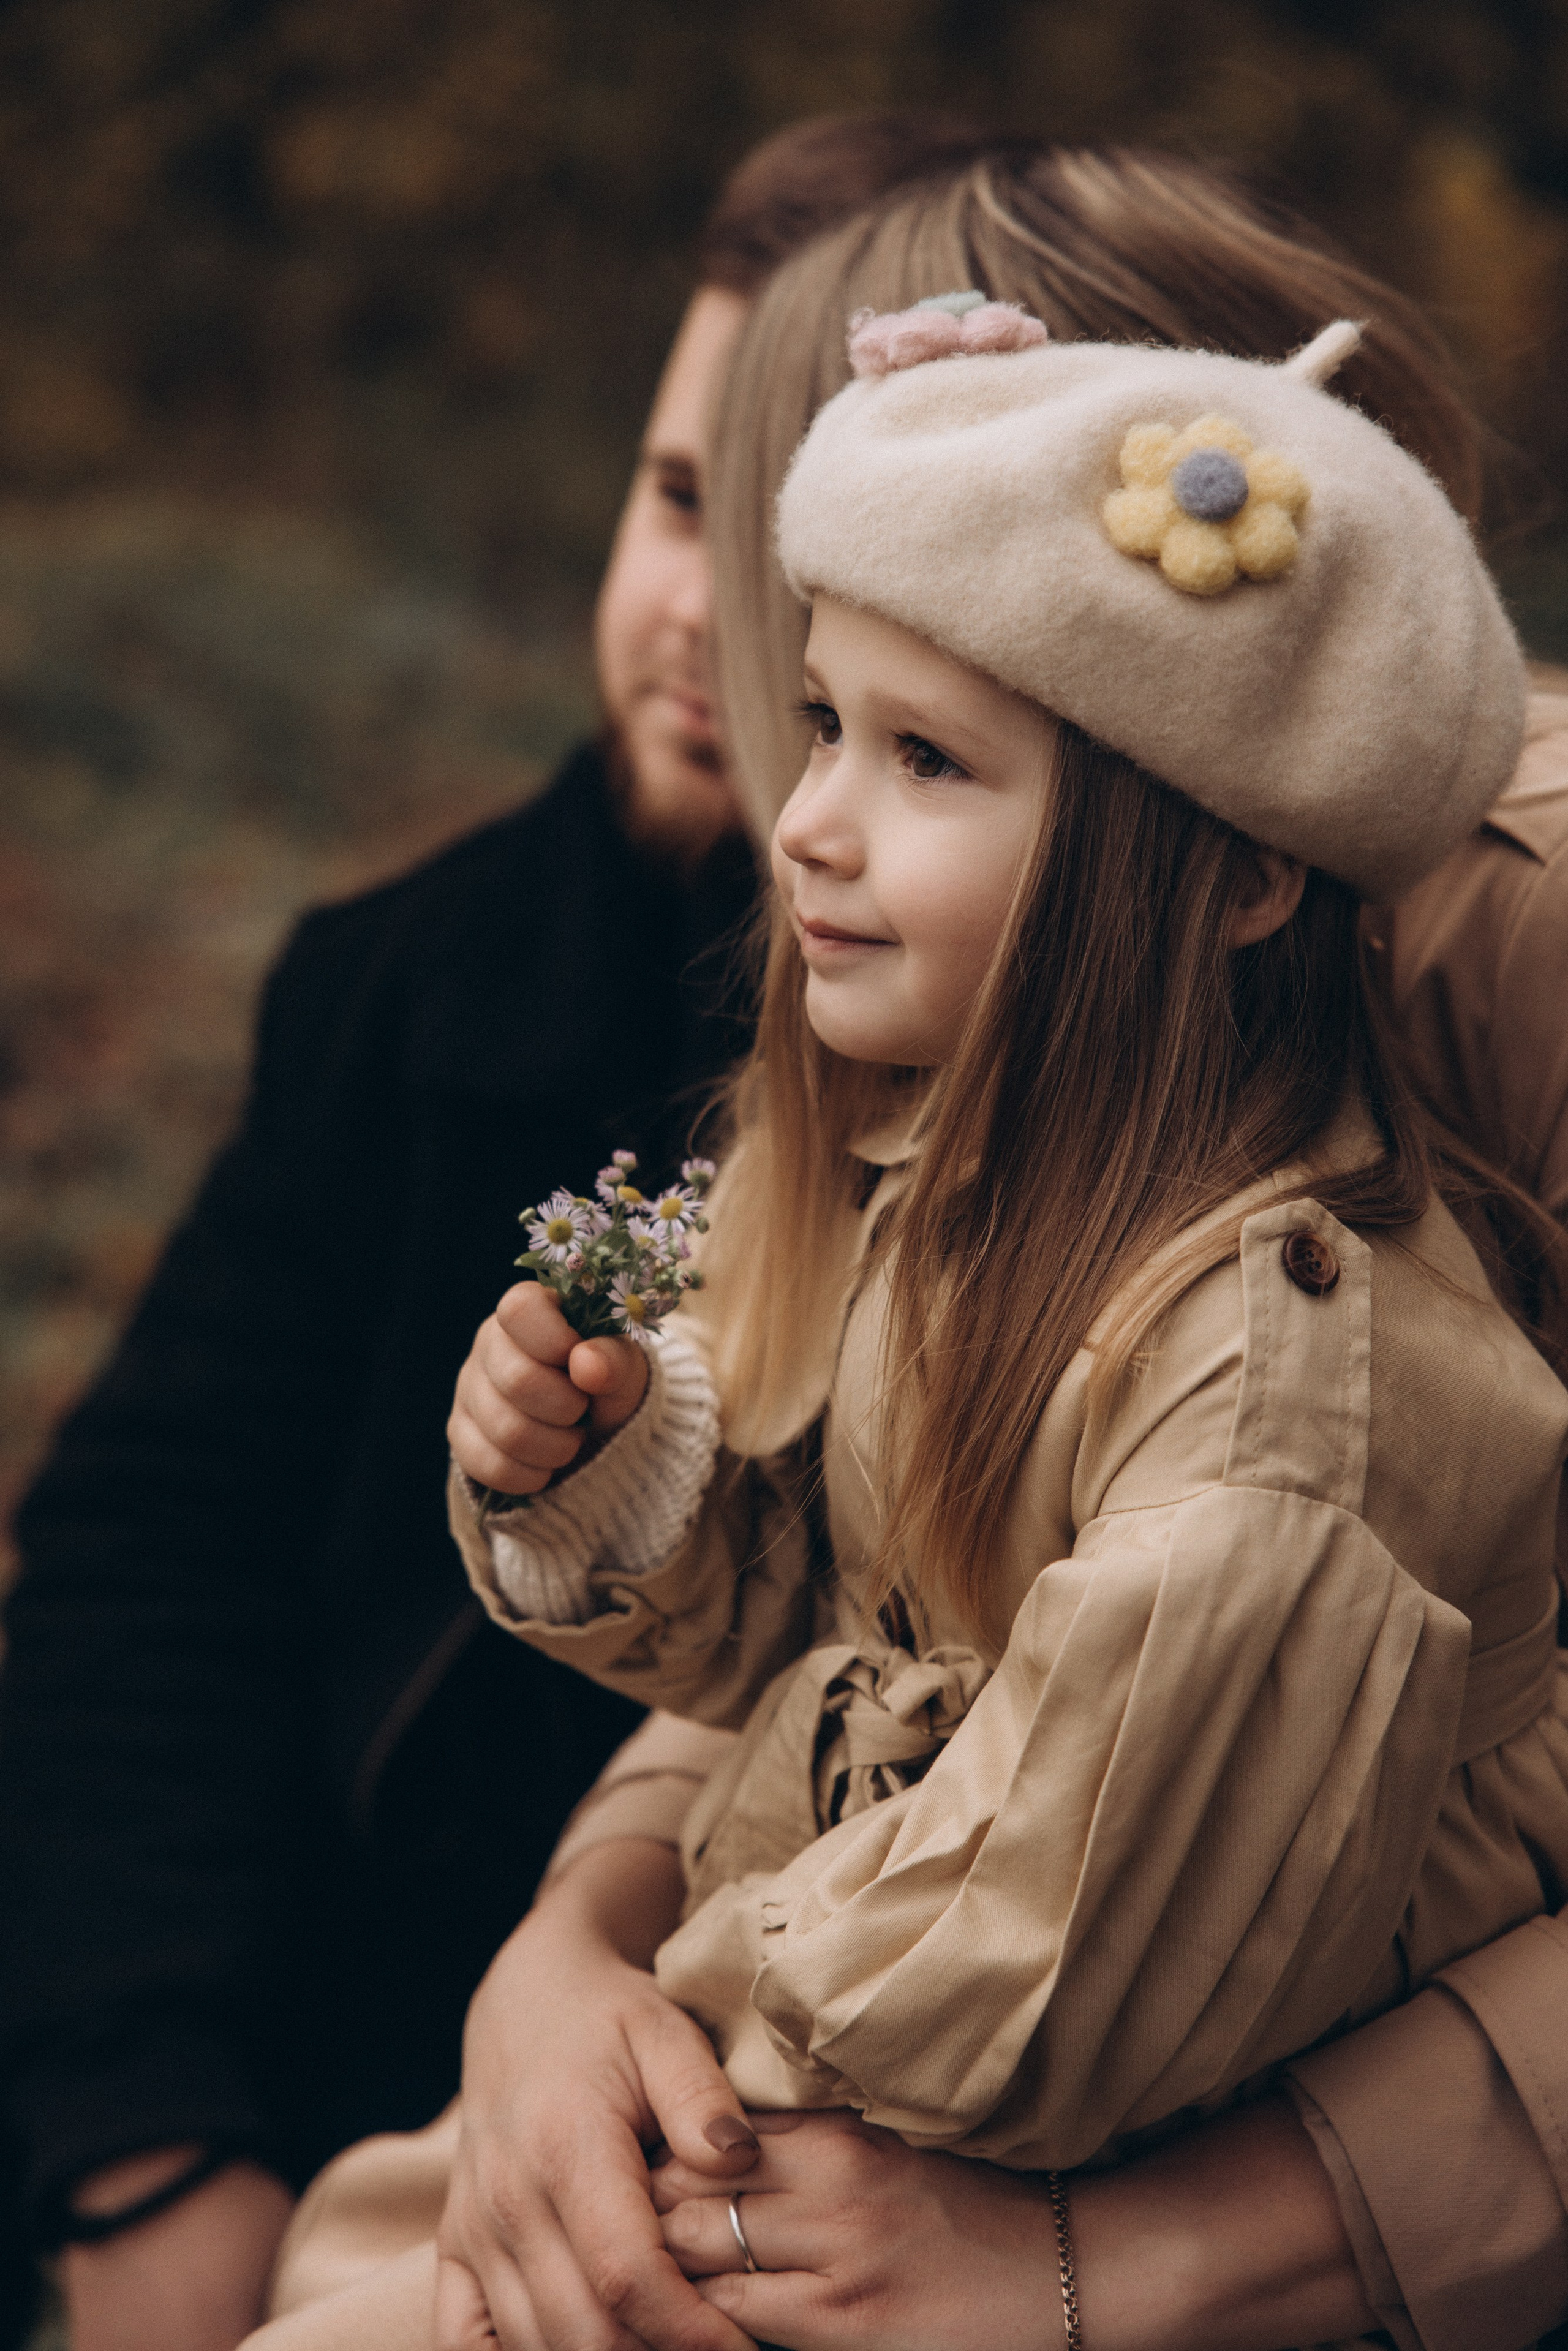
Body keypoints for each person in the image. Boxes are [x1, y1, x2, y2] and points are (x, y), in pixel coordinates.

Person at [243, 153, 1568, 2351]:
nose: (802, 809)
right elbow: (845, 1624)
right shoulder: (960, 1145)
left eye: (920, 743)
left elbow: (1054, 1941)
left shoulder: (1292, 1364)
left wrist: (667, 2017)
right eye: (825, 707)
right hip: (849, 2041)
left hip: (1031, 2131)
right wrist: (602, 1521)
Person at [0, 112, 1007, 2351]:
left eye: (788, 534)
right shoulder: (411, 983)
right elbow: (147, 1564)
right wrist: (143, 2126)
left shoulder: (1024, 1137)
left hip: (723, 2158)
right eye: (672, 501)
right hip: (301, 2051)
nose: (689, 607)